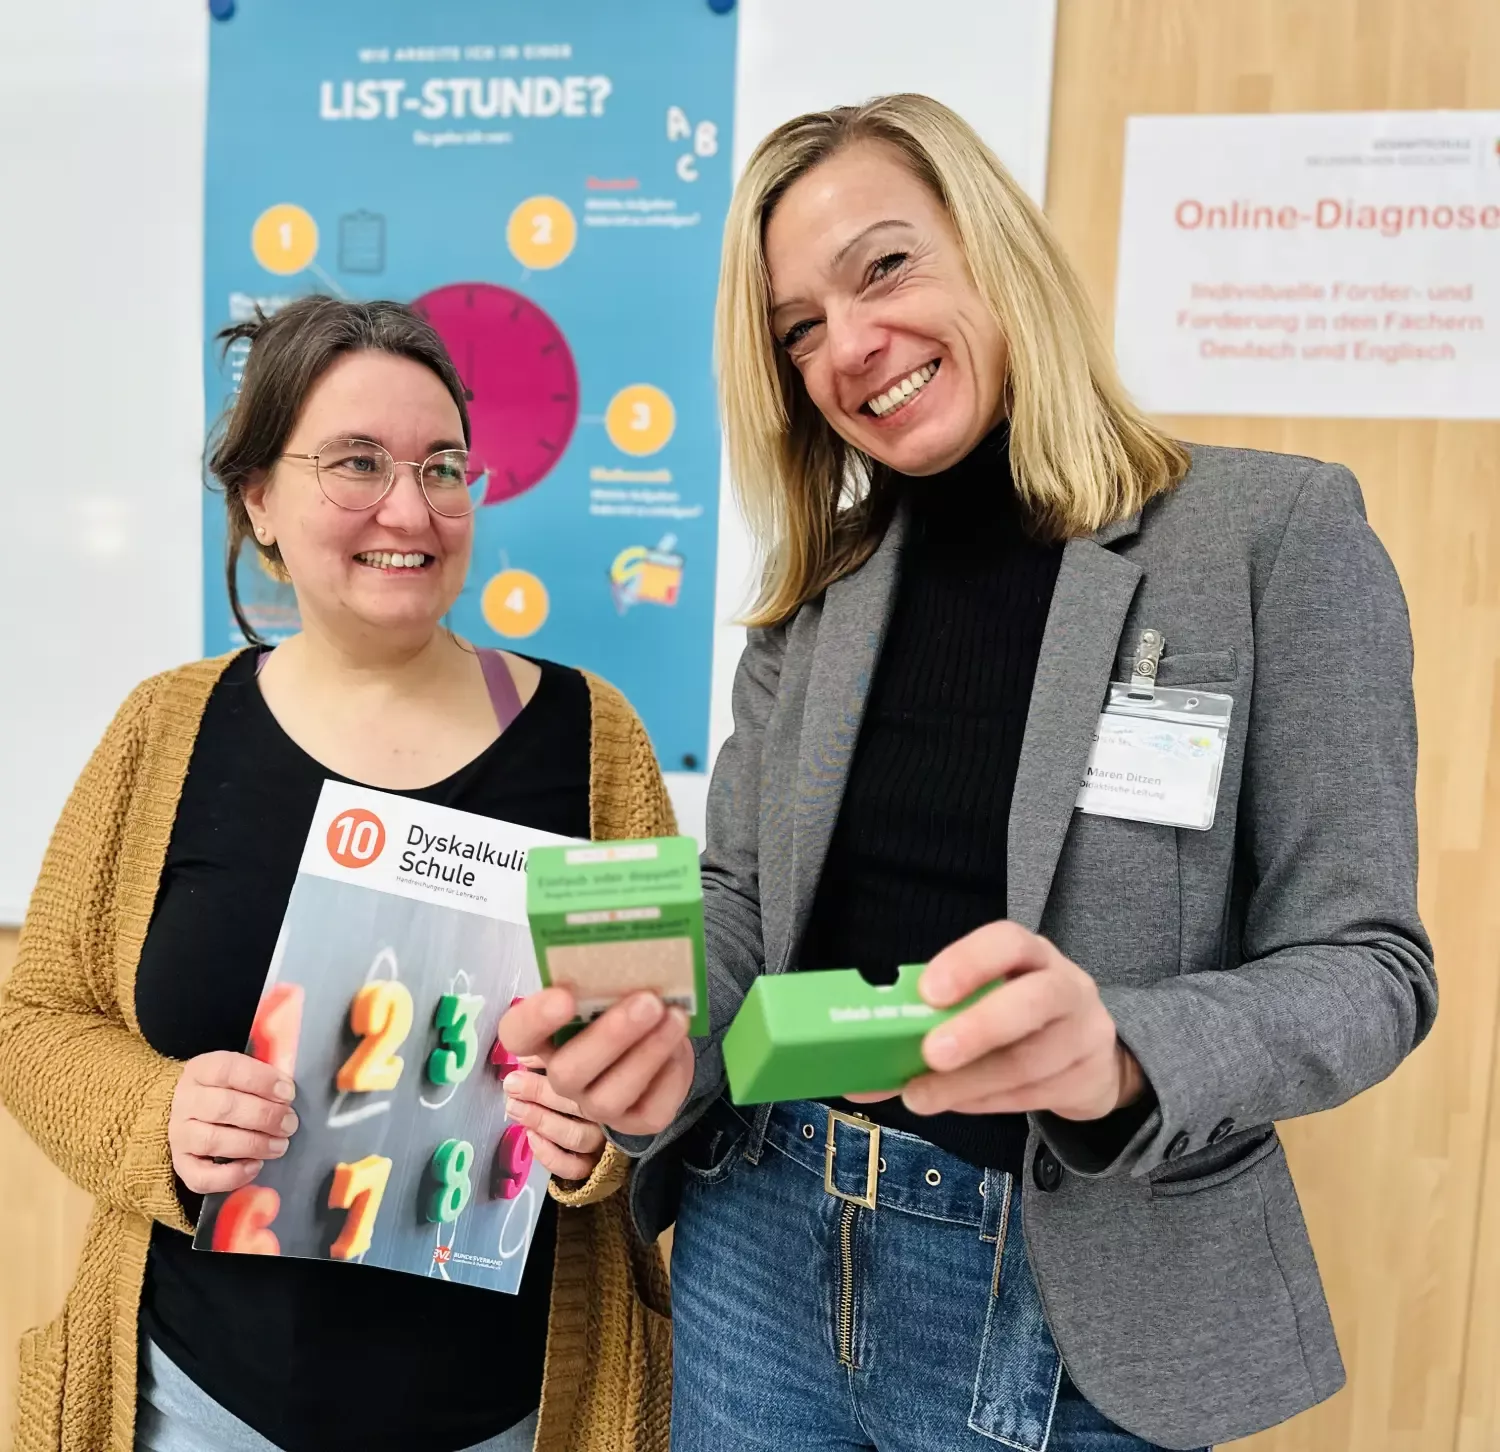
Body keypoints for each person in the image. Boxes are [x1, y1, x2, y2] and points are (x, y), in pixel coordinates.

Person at [499, 94, 1437, 1452]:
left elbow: (1369, 967)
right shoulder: (817, 594)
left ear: (995, 247)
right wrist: (656, 1051)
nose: (849, 347)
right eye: (798, 329)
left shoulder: (1268, 537)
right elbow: (748, 910)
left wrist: (1119, 1052)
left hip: (1075, 1295)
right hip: (760, 1241)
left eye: (883, 267)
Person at [0, 296, 673, 1452]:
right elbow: (33, 1019)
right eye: (357, 462)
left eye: (442, 466)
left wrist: (603, 1131)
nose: (409, 509)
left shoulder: (594, 739)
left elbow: (659, 1046)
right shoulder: (166, 733)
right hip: (199, 1404)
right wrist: (159, 1115)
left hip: (513, 1418)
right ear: (258, 497)